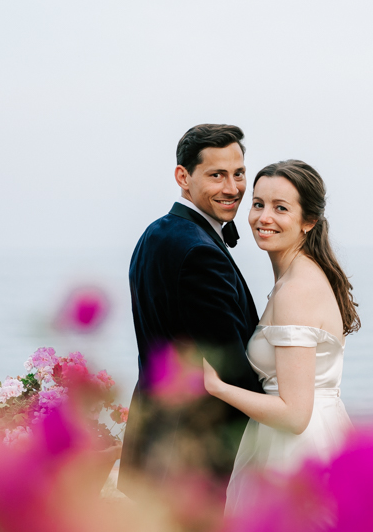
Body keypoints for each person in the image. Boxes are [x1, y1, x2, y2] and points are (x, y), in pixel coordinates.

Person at [202, 159, 360, 513]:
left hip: (297, 450)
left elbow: (294, 415)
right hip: (308, 437)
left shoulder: (296, 290)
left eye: (280, 208)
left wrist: (217, 387)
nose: (264, 217)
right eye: (258, 204)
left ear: (309, 221)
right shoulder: (297, 278)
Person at [118, 124, 263, 500]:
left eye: (239, 173)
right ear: (183, 177)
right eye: (216, 175)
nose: (232, 188)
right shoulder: (198, 252)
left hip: (154, 447)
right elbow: (230, 370)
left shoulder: (156, 233)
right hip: (195, 461)